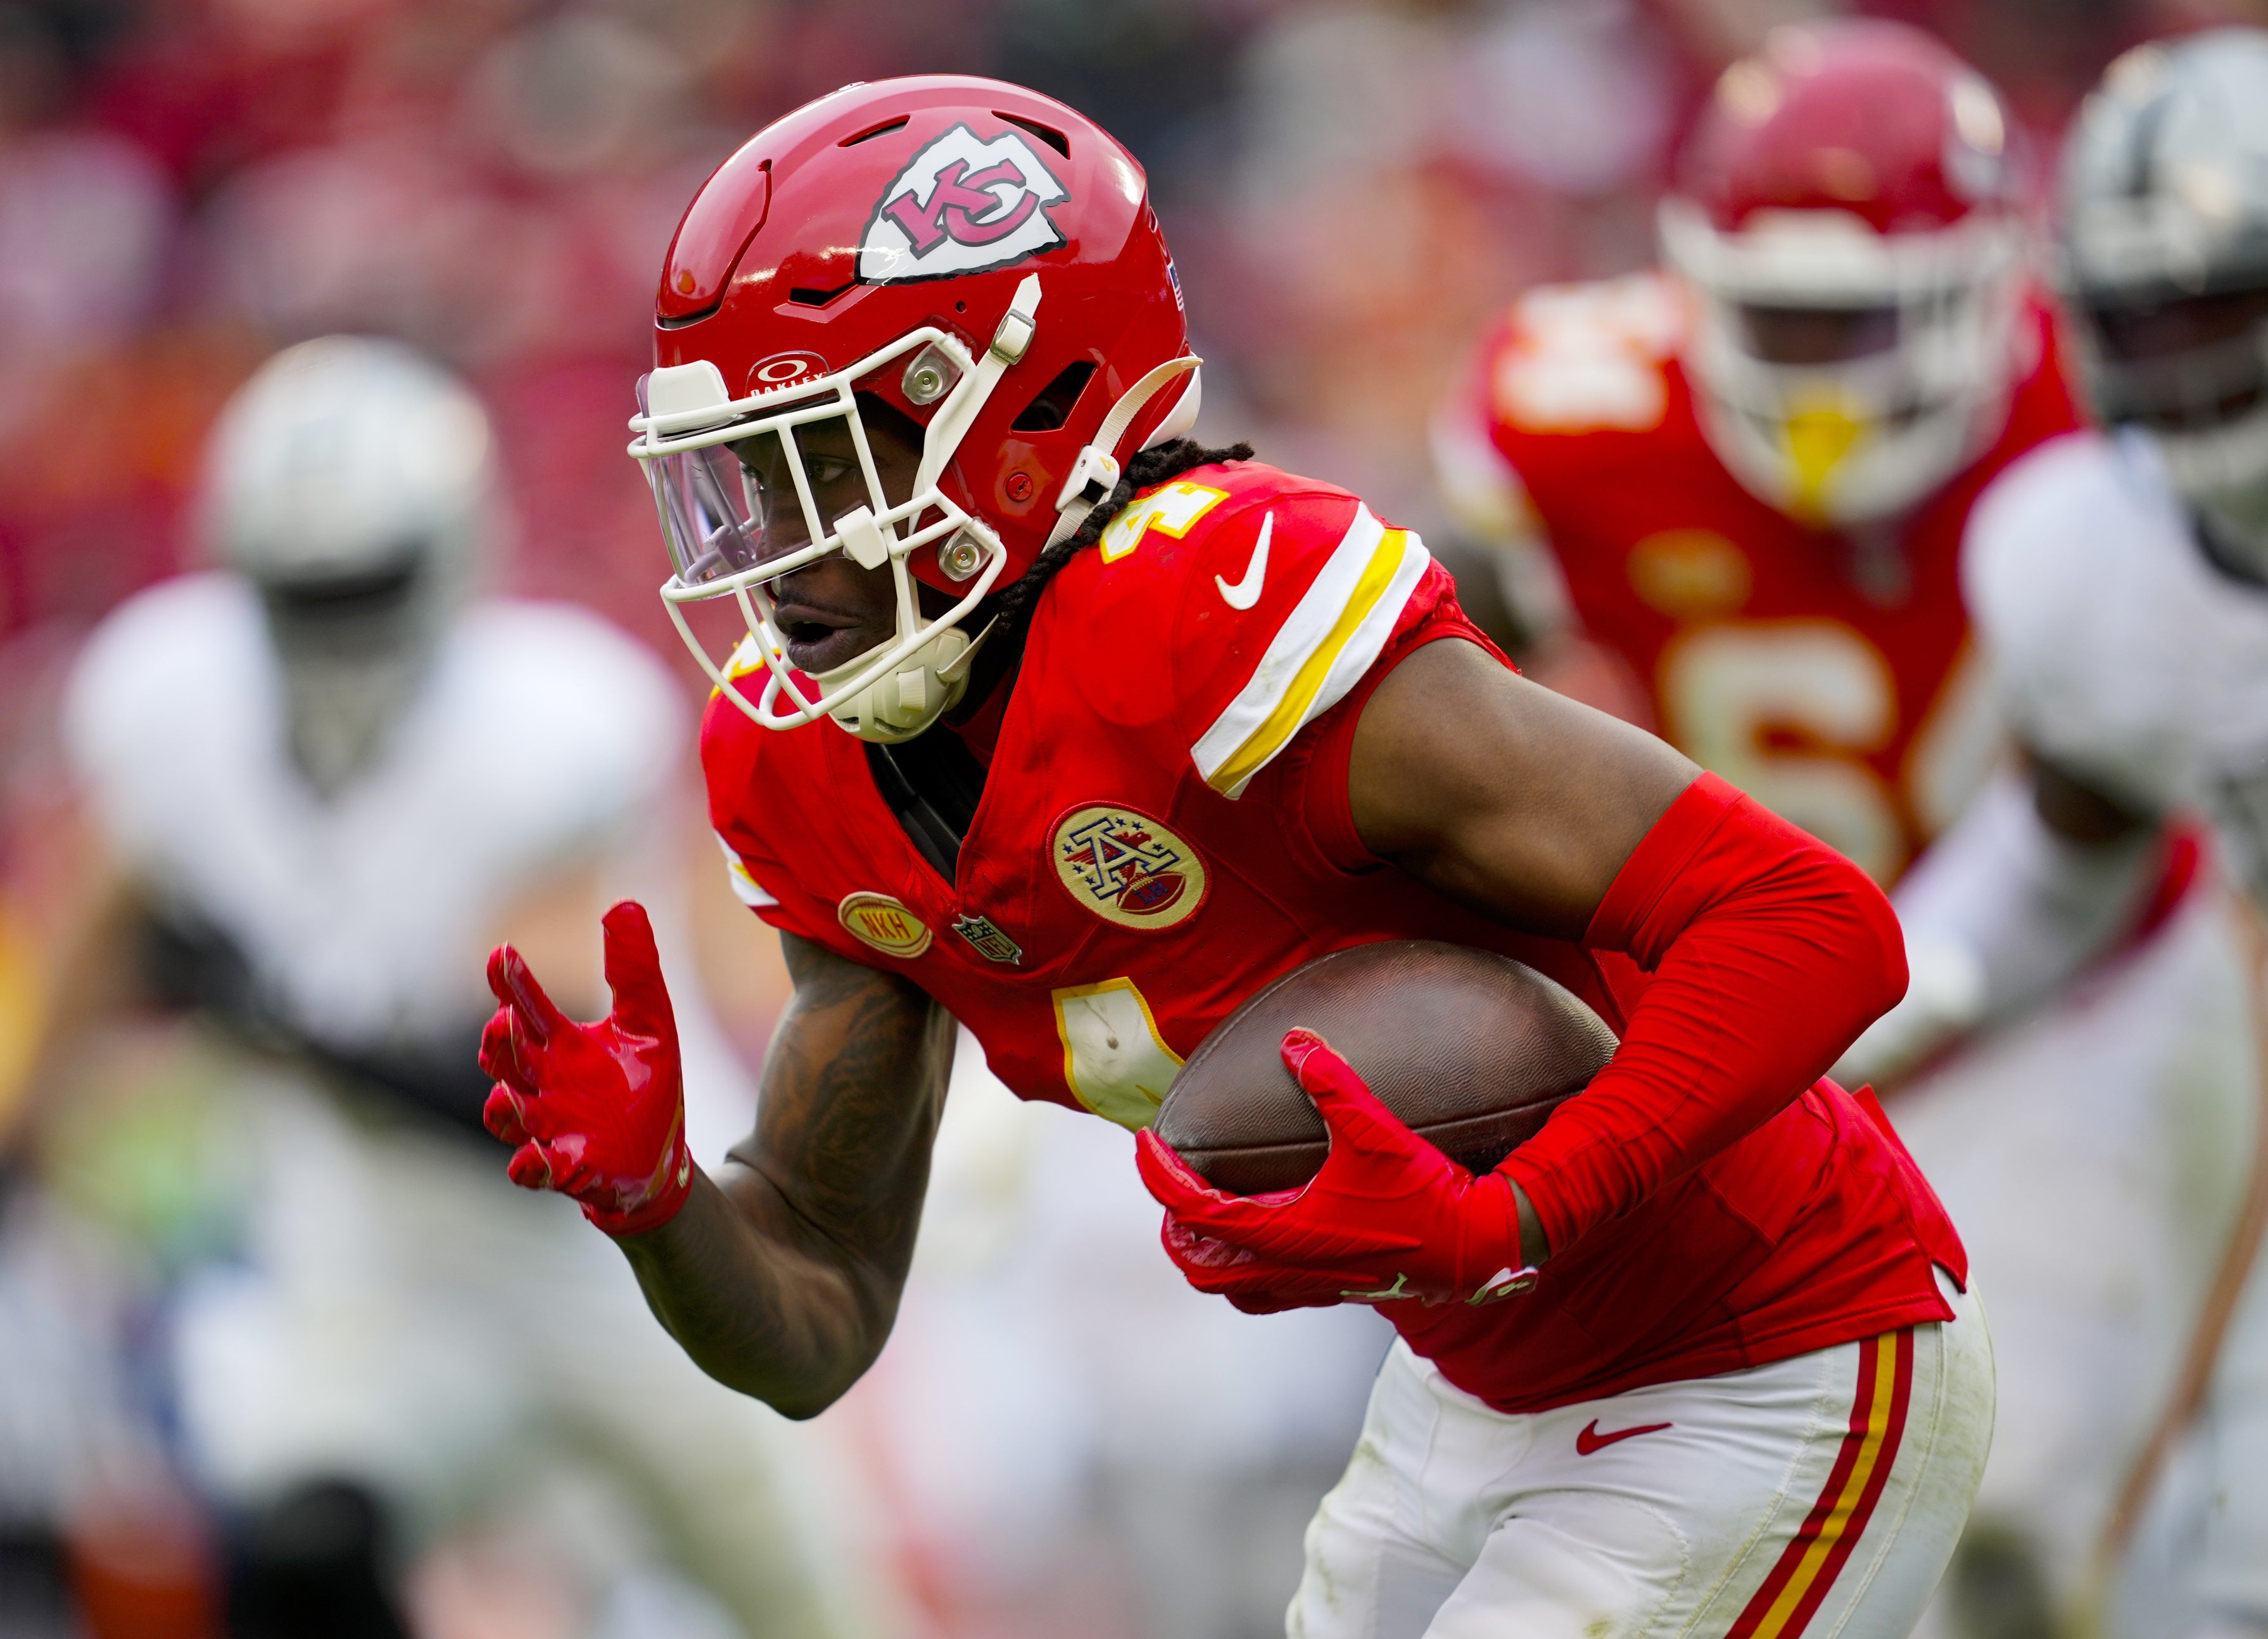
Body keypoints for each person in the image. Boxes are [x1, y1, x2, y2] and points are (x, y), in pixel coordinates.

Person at [479, 75, 1989, 1639]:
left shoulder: (1212, 611)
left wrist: (1522, 1212)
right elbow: (818, 1316)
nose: (769, 548)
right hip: (1477, 1389)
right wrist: (663, 1206)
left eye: (820, 465)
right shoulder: (805, 766)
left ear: (1016, 409)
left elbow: (1815, 921)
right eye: (733, 481)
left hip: (1771, 1342)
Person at [40, 336, 859, 1638]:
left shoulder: (550, 729)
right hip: (381, 1267)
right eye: (305, 589)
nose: (338, 623)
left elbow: (529, 1091)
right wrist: (27, 1131)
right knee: (300, 1553)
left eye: (364, 582)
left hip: (635, 1264)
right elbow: (110, 905)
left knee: (816, 1610)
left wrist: (272, 1021)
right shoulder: (168, 696)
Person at [1839, 30, 2268, 1639]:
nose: (2189, 361)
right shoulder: (2087, 555)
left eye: (2227, 309)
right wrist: (1887, 996)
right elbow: (2068, 843)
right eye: (2151, 317)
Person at [1431, 18, 2076, 888]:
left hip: (2067, 967)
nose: (1822, 385)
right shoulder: (1586, 422)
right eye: (1777, 318)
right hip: (1743, 962)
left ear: (1989, 290)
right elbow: (1429, 675)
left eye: (1859, 323)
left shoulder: (2083, 414)